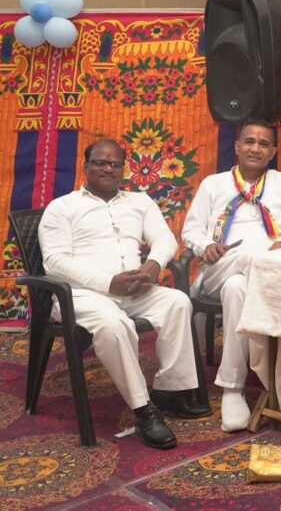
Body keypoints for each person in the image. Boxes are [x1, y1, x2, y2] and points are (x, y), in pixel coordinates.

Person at [38, 139, 210, 449]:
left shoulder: (139, 202)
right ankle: (144, 411)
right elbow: (54, 262)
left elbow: (164, 238)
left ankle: (169, 391)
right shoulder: (62, 207)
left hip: (133, 290)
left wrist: (152, 267)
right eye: (100, 163)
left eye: (115, 164)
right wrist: (108, 283)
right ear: (85, 166)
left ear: (123, 169)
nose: (108, 168)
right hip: (80, 295)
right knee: (114, 323)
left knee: (177, 302)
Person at [181, 120, 281, 432]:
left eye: (264, 144)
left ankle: (232, 389)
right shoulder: (213, 184)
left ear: (273, 151)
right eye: (249, 142)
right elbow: (190, 231)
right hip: (221, 266)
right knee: (248, 259)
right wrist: (206, 245)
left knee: (238, 288)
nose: (256, 148)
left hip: (265, 271)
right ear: (237, 146)